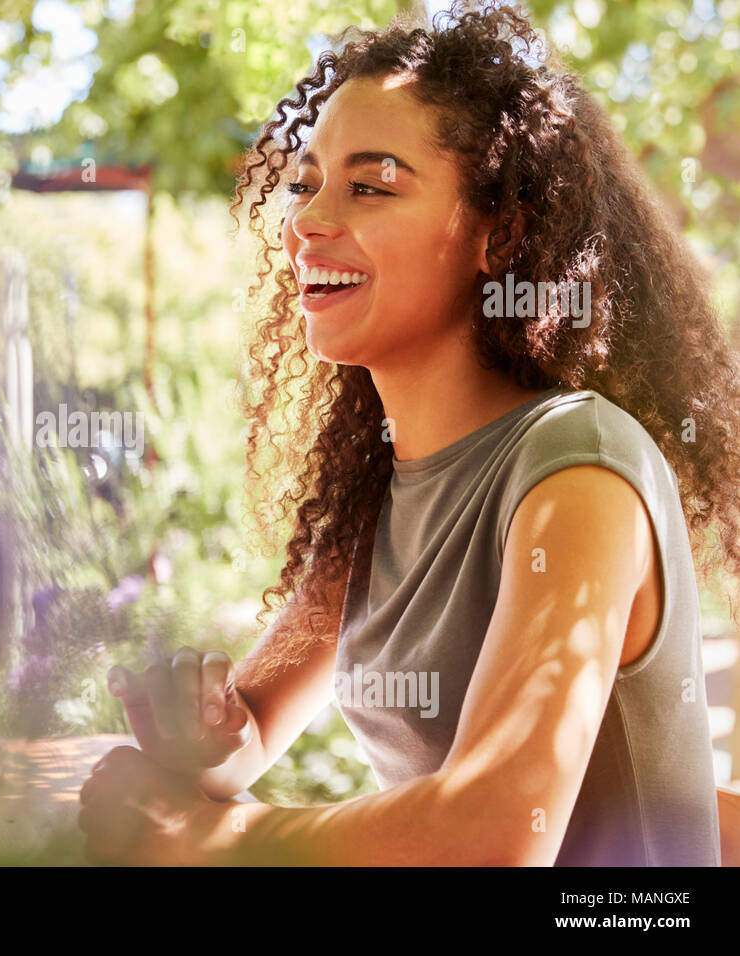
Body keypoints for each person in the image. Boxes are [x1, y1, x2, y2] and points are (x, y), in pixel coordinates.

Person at [79, 2, 738, 866]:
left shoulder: (580, 468)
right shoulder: (381, 483)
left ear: (498, 235)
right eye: (308, 181)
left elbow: (496, 837)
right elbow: (252, 739)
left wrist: (218, 838)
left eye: (371, 184)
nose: (308, 218)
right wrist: (208, 739)